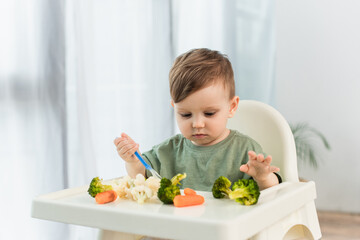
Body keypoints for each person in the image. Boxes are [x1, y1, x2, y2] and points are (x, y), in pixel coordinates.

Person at [114, 48, 281, 191]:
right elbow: (142, 175)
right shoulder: (169, 150)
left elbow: (274, 193)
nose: (197, 124)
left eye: (209, 113)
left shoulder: (245, 150)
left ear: (232, 107)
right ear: (174, 108)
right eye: (185, 115)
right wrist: (133, 161)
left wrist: (263, 177)